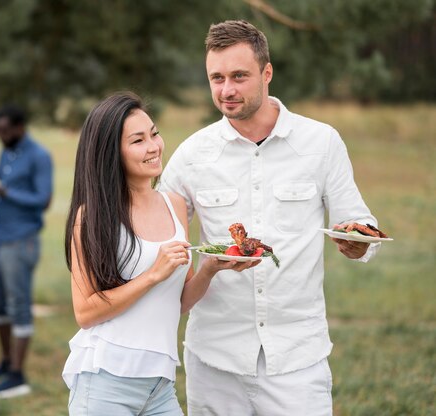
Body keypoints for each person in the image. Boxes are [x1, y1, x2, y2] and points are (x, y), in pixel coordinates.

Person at [159, 20, 381, 415]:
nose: (226, 90)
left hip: (298, 358)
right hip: (215, 359)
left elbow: (356, 221)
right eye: (217, 78)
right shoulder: (192, 155)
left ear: (267, 73)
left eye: (239, 76)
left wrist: (355, 242)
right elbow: (158, 237)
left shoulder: (321, 142)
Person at [61, 92, 252, 415]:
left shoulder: (174, 205)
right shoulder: (92, 216)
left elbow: (177, 303)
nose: (154, 147)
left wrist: (209, 269)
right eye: (138, 141)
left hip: (160, 386)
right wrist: (152, 275)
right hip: (106, 382)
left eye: (154, 134)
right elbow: (86, 312)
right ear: (112, 153)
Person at [0, 104, 53, 398]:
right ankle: (6, 364)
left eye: (5, 130)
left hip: (21, 240)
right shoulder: (7, 150)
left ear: (20, 127)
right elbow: (4, 181)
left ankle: (18, 376)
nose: (1, 135)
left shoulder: (39, 156)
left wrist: (3, 191)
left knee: (19, 304)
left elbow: (43, 199)